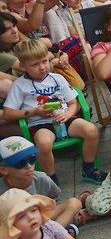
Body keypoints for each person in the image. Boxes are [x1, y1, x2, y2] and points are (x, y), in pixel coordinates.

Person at [3, 38, 103, 183]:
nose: (42, 67)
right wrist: (34, 112)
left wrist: (68, 113)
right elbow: (8, 113)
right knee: (43, 143)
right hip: (40, 123)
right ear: (23, 66)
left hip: (64, 118)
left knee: (91, 130)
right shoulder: (19, 86)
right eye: (35, 65)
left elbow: (73, 103)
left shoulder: (57, 78)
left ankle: (89, 169)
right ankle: (50, 180)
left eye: (44, 61)